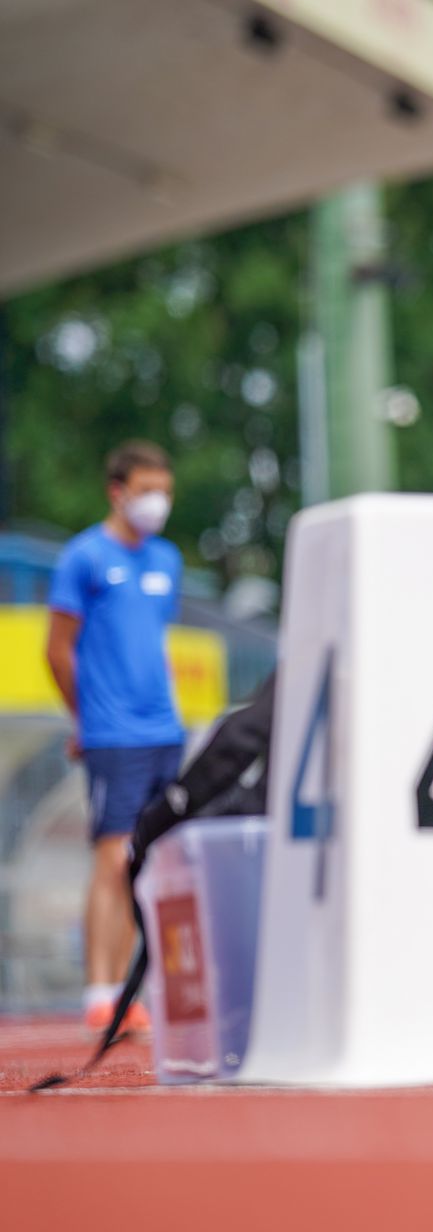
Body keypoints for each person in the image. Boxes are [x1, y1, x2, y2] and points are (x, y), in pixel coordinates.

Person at [44, 440, 185, 1034]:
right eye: (147, 490)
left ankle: (137, 990)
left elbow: (153, 642)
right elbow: (56, 649)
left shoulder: (167, 560)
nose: (157, 503)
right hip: (113, 734)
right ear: (117, 491)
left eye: (165, 492)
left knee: (152, 863)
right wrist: (85, 719)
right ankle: (100, 989)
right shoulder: (83, 557)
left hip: (165, 731)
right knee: (113, 858)